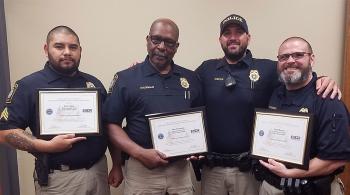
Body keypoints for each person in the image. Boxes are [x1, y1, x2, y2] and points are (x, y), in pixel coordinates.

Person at [194, 14, 340, 195]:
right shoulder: (206, 69)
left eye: (239, 32)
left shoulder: (268, 69)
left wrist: (323, 80)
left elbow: (297, 75)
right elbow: (184, 94)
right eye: (226, 33)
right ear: (220, 39)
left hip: (248, 171)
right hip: (212, 170)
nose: (232, 37)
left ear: (248, 37)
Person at [0, 26, 110, 195]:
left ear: (80, 51)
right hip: (59, 180)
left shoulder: (93, 83)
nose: (67, 52)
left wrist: (116, 165)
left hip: (98, 173)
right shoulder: (28, 85)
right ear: (46, 49)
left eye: (73, 47)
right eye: (59, 46)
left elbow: (109, 125)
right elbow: (5, 132)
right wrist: (46, 146)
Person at [104, 18, 203, 195]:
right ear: (148, 40)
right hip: (142, 171)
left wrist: (197, 148)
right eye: (156, 40)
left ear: (177, 46)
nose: (162, 47)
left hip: (180, 172)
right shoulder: (126, 78)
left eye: (169, 42)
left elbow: (198, 122)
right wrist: (140, 153)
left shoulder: (191, 79)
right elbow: (111, 124)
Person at [257, 37, 350, 195]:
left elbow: (336, 159)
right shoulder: (276, 93)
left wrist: (290, 173)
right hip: (271, 187)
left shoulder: (327, 99)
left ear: (311, 59)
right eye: (284, 57)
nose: (290, 61)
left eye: (298, 55)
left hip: (312, 190)